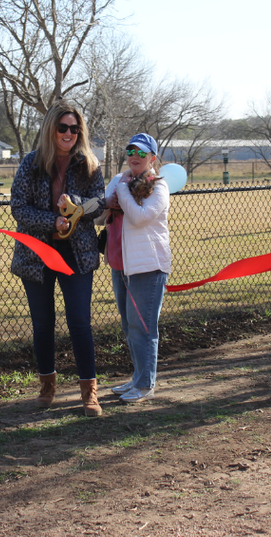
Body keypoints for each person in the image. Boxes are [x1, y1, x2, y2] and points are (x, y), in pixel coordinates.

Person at [10, 101, 106, 417]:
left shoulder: (90, 165)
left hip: (76, 256)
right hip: (37, 254)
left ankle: (89, 393)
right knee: (43, 324)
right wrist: (53, 221)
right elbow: (19, 208)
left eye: (74, 128)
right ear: (51, 129)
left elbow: (100, 207)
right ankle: (47, 387)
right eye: (63, 127)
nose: (68, 133)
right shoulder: (30, 164)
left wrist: (75, 206)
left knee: (80, 322)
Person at [104, 133, 171, 403]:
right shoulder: (119, 180)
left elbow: (140, 217)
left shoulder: (158, 186)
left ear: (152, 158)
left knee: (143, 327)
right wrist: (107, 202)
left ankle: (145, 384)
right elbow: (100, 216)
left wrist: (120, 192)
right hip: (120, 264)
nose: (135, 156)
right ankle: (137, 377)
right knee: (129, 325)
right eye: (131, 150)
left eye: (142, 153)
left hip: (147, 267)